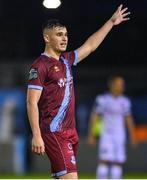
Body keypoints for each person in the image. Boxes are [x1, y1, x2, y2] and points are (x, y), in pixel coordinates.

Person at [27, 5, 130, 179]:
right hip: (55, 131)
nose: (64, 38)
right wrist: (36, 135)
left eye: (66, 34)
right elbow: (31, 102)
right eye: (59, 35)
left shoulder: (66, 60)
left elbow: (90, 46)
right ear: (47, 37)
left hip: (70, 132)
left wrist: (111, 22)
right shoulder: (40, 65)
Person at [87, 75, 137, 179]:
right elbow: (95, 117)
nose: (121, 87)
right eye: (119, 84)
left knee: (118, 162)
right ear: (112, 85)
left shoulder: (125, 101)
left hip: (120, 135)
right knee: (104, 161)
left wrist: (132, 135)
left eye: (122, 85)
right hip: (106, 135)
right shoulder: (103, 99)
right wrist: (92, 134)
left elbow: (128, 119)